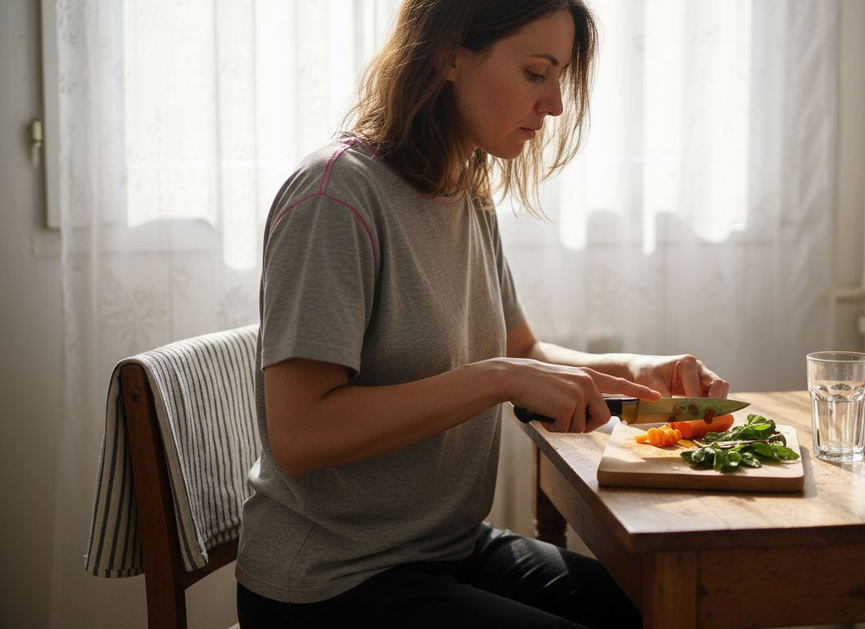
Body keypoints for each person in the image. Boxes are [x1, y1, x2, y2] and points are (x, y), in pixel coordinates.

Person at [235, 0, 730, 627]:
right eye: (535, 73)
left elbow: (522, 354)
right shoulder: (336, 197)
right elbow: (300, 435)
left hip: (446, 548)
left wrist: (639, 371)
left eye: (561, 77)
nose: (554, 104)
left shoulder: (465, 188)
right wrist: (493, 378)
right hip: (331, 582)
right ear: (448, 55)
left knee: (668, 609)